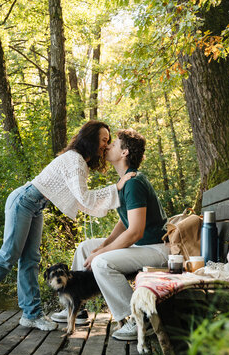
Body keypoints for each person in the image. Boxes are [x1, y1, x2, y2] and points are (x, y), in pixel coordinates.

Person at [0, 121, 135, 331]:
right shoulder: (75, 160)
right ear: (91, 139)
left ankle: (31, 315)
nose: (106, 145)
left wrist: (114, 190)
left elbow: (82, 201)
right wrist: (117, 187)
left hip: (35, 206)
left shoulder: (80, 161)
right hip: (23, 201)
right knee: (9, 254)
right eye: (104, 140)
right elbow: (85, 198)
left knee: (31, 260)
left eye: (109, 141)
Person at [51, 128, 168, 340]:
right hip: (143, 246)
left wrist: (101, 253)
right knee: (85, 247)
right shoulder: (125, 181)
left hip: (157, 249)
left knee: (101, 262)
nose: (107, 146)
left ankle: (139, 318)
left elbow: (135, 232)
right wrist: (102, 245)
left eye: (113, 144)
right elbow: (125, 222)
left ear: (124, 153)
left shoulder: (134, 183)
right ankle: (77, 306)